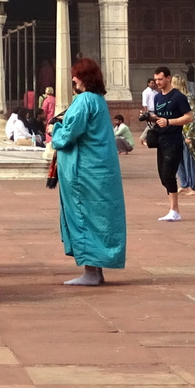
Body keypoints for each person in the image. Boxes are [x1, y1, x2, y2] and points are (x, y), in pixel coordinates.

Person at [48, 58, 127, 285]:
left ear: (83, 78)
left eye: (76, 76)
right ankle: (96, 270)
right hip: (99, 169)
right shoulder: (98, 101)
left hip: (84, 171)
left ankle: (91, 272)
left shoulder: (83, 101)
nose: (73, 80)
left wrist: (55, 128)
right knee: (99, 218)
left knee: (85, 217)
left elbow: (70, 133)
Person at [149, 65, 192, 221]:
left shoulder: (178, 97)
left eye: (160, 79)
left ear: (168, 78)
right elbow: (158, 117)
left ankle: (174, 210)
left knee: (168, 174)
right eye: (156, 80)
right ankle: (173, 210)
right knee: (163, 176)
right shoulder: (157, 97)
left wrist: (170, 121)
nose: (158, 82)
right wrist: (150, 117)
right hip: (161, 140)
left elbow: (189, 117)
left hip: (173, 141)